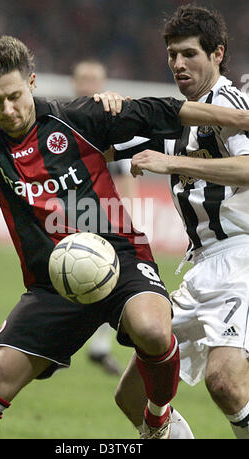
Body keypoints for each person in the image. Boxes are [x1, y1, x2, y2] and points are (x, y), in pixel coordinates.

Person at [0, 36, 248, 441]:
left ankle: (158, 416)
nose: (8, 109)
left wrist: (246, 121)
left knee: (155, 332)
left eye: (15, 96)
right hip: (52, 285)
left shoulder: (80, 117)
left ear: (33, 82)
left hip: (120, 260)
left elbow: (166, 110)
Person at [110, 4, 249, 439]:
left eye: (189, 53)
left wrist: (171, 162)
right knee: (133, 395)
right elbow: (110, 144)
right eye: (172, 54)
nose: (178, 63)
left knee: (224, 381)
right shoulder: (180, 114)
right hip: (203, 265)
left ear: (217, 54)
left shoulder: (226, 102)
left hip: (241, 259)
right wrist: (105, 106)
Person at [71, 59, 123, 376]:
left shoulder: (111, 124)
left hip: (104, 214)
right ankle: (57, 344)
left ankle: (99, 344)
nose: (89, 84)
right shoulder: (57, 120)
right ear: (74, 83)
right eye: (84, 78)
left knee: (110, 279)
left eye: (94, 79)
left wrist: (129, 212)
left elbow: (125, 171)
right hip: (65, 213)